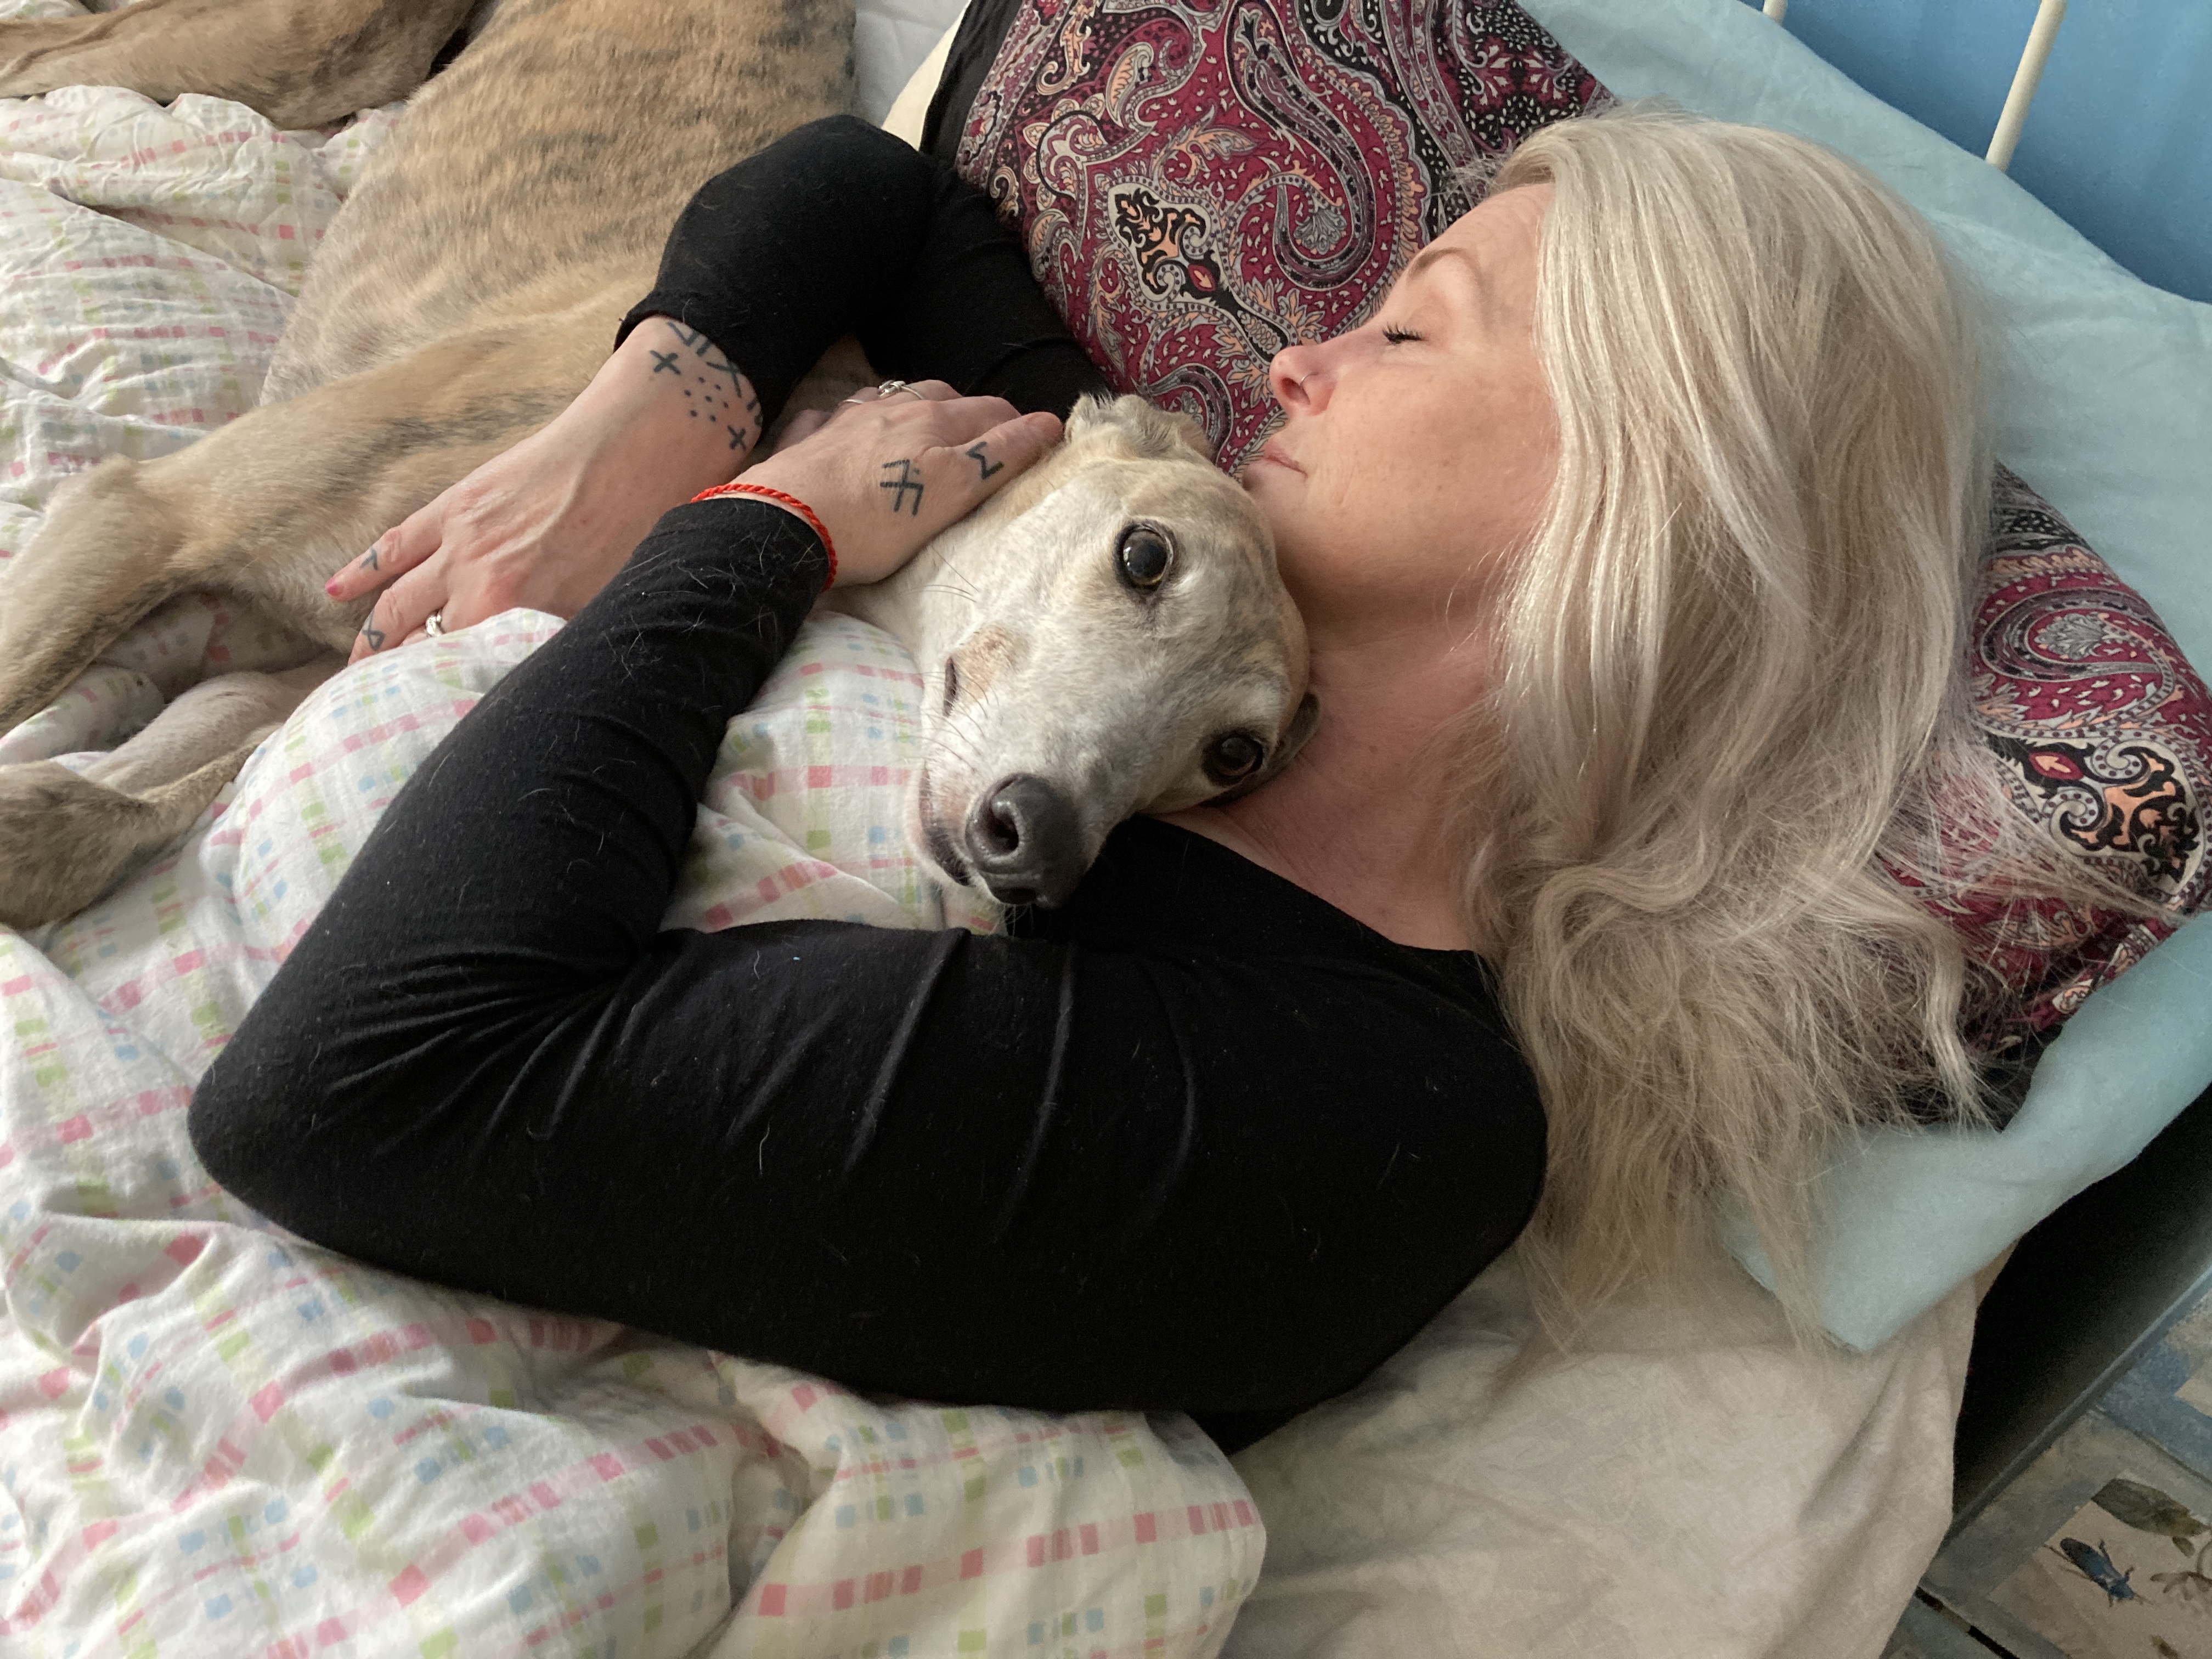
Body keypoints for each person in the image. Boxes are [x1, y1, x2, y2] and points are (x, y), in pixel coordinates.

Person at [188, 104, 2000, 1447]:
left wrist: (761, 527)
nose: (1298, 361)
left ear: (1632, 482)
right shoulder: (1149, 547)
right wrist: (656, 413)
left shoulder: (1376, 1122)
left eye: (1410, 328)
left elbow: (353, 1089)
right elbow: (873, 196)